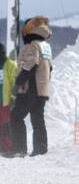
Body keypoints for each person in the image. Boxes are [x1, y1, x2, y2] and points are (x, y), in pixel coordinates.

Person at [7, 17, 52, 157]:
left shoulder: (32, 45)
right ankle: (40, 149)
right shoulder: (46, 46)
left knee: (15, 117)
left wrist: (18, 83)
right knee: (38, 120)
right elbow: (49, 68)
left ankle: (19, 149)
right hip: (42, 90)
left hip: (29, 88)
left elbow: (30, 66)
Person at [0, 43, 17, 155]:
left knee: (6, 125)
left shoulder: (10, 64)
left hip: (5, 102)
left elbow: (14, 83)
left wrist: (13, 98)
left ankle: (8, 147)